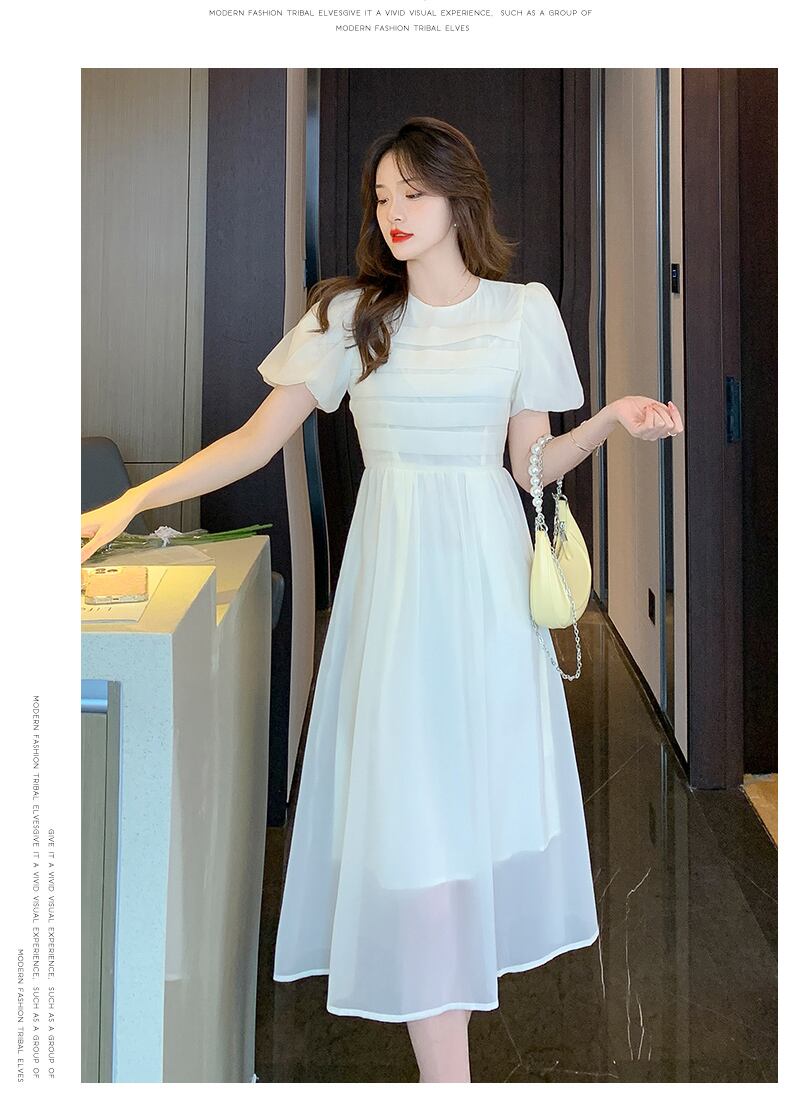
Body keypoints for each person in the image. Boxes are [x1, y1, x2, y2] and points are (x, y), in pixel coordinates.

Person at [81, 116, 683, 1082]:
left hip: (485, 596)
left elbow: (530, 464)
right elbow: (255, 439)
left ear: (459, 197)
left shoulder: (521, 310)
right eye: (381, 197)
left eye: (413, 192)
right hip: (395, 600)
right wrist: (135, 499)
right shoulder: (351, 316)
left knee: (462, 824)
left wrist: (610, 420)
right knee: (412, 831)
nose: (393, 212)